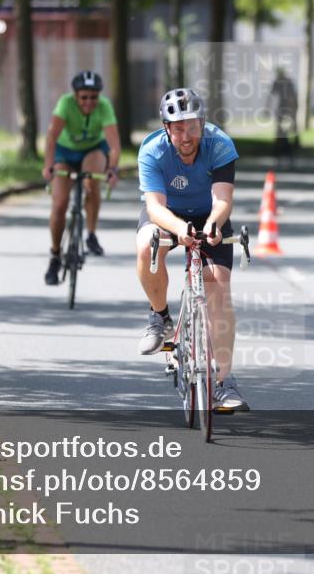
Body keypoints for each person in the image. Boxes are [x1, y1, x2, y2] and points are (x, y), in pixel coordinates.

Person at [134, 87, 249, 413]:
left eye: (193, 126)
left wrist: (213, 223)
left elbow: (223, 199)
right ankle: (160, 318)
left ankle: (226, 384)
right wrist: (179, 229)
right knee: (146, 246)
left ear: (202, 123)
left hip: (209, 212)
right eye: (178, 127)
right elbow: (154, 208)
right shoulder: (152, 151)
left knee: (217, 284)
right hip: (168, 214)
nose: (187, 135)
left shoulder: (220, 144)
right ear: (166, 128)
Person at [42, 71, 121, 286]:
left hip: (92, 150)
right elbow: (51, 137)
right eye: (84, 97)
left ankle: (91, 234)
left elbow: (114, 144)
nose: (89, 102)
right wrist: (48, 165)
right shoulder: (65, 104)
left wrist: (113, 169)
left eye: (93, 97)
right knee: (59, 203)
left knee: (92, 181)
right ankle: (55, 255)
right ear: (75, 96)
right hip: (64, 153)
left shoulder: (104, 107)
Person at [269, 67, 298, 165]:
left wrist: (292, 112)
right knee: (280, 132)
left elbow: (293, 97)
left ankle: (285, 152)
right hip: (281, 109)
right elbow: (272, 95)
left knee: (284, 132)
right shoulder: (278, 82)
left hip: (286, 110)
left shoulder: (287, 82)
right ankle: (280, 152)